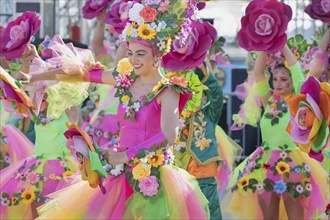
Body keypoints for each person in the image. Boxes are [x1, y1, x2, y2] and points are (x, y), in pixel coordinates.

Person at [24, 2, 210, 219]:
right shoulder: (125, 79)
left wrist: (124, 156)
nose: (133, 60)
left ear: (158, 55)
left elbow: (169, 136)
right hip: (120, 172)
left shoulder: (168, 90)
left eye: (140, 54)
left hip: (154, 176)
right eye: (130, 53)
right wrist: (36, 76)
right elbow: (80, 74)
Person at [224, 44, 329, 219]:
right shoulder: (268, 99)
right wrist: (266, 43)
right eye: (276, 79)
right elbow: (258, 73)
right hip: (265, 163)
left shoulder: (297, 101)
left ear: (292, 83)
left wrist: (282, 44)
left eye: (284, 79)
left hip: (293, 163)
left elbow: (296, 69)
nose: (278, 83)